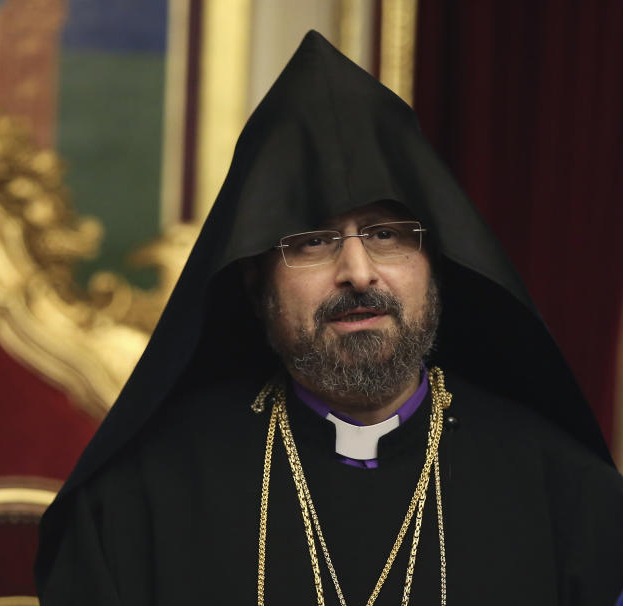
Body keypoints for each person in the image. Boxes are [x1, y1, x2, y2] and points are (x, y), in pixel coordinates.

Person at [35, 31, 623, 605]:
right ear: (255, 279)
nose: (359, 272)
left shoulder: (568, 498)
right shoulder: (137, 506)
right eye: (313, 241)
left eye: (387, 234)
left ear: (436, 262)